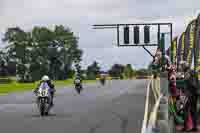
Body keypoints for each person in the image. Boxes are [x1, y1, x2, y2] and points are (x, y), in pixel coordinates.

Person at [181, 61, 199, 131]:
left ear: (184, 66)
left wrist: (187, 93)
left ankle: (186, 127)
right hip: (195, 93)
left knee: (185, 109)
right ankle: (195, 127)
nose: (181, 67)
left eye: (182, 66)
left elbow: (192, 84)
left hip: (190, 94)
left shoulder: (187, 73)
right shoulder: (193, 72)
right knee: (193, 110)